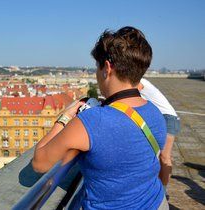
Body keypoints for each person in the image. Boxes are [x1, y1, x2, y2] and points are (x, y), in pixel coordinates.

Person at [32, 26, 169, 209]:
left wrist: (64, 118)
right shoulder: (155, 113)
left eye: (97, 67)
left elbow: (39, 163)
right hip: (156, 202)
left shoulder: (93, 120)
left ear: (107, 68)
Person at [138, 78, 181, 191]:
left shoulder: (139, 81)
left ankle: (163, 190)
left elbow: (132, 93)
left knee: (164, 156)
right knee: (157, 155)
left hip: (168, 118)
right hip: (160, 117)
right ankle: (157, 185)